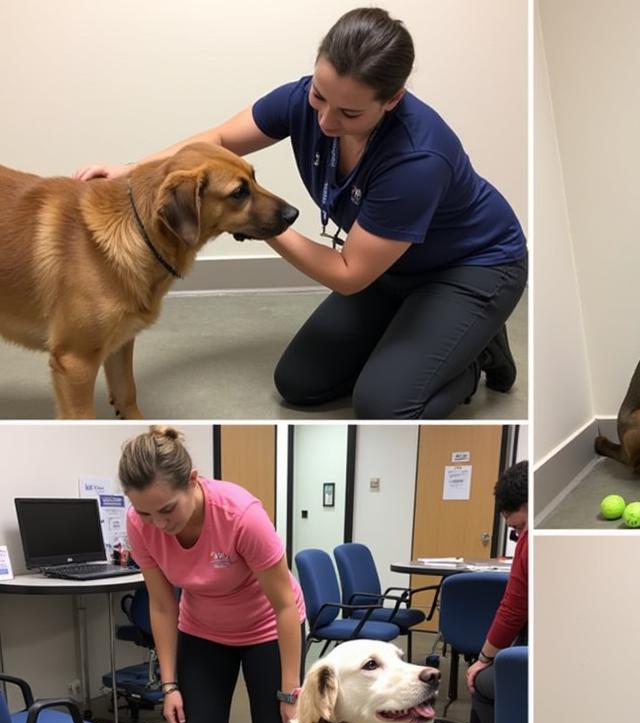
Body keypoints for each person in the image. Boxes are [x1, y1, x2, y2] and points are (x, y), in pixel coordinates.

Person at [76, 8, 527, 420]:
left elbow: (349, 273)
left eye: (349, 112)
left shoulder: (417, 159)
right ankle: (427, 337)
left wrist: (257, 219)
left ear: (391, 101)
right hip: (389, 269)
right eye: (319, 96)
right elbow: (217, 142)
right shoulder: (303, 102)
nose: (327, 122)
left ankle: (474, 354)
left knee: (384, 407)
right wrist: (133, 171)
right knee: (299, 385)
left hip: (472, 268)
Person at [119, 426, 306, 723]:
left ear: (193, 483)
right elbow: (161, 606)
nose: (157, 523)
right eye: (144, 512)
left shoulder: (240, 515)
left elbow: (286, 605)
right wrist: (170, 683)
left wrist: (290, 692)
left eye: (167, 510)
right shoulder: (140, 525)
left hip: (266, 627)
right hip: (203, 630)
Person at [465, 460, 529, 723]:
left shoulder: (530, 542)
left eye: (517, 528)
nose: (519, 536)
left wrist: (482, 659)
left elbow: (513, 610)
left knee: (478, 679)